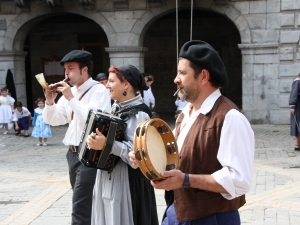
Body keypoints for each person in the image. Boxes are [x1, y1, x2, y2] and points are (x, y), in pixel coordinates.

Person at [130, 40, 255, 225]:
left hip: (213, 218)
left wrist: (185, 180)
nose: (176, 79)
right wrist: (145, 157)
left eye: (182, 73)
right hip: (178, 212)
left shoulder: (229, 117)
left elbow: (239, 180)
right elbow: (171, 155)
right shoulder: (186, 113)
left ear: (203, 76)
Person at [43, 50, 111, 224]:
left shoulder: (99, 90)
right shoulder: (70, 92)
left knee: (80, 205)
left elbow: (94, 119)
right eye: (65, 69)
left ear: (85, 69)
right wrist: (50, 101)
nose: (66, 73)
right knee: (84, 201)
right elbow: (54, 119)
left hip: (90, 153)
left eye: (71, 68)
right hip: (72, 154)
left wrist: (71, 98)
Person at [86, 64, 159, 225]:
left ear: (126, 84)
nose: (106, 85)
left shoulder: (140, 113)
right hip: (110, 178)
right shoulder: (116, 108)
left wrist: (107, 145)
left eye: (111, 81)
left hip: (129, 183)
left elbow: (138, 156)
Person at [289, 72, 300, 150]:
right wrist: (292, 105)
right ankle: (297, 144)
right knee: (297, 125)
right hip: (298, 107)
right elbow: (294, 94)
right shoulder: (297, 81)